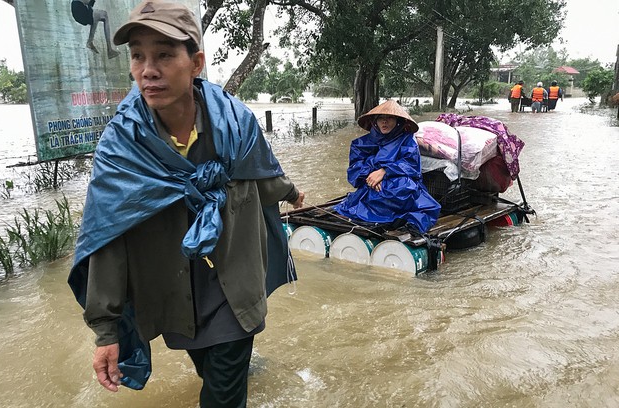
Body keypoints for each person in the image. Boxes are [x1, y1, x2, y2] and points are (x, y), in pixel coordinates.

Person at [67, 1, 305, 406]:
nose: (148, 69)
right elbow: (107, 236)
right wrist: (106, 333)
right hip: (174, 288)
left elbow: (263, 176)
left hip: (232, 277)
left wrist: (291, 193)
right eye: (138, 55)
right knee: (211, 369)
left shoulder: (235, 123)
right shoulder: (122, 145)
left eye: (163, 54)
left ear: (195, 62)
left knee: (223, 395)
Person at [333, 100, 440, 234]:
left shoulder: (407, 140)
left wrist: (385, 171)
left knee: (404, 186)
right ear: (374, 122)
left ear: (398, 120)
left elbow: (410, 164)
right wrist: (371, 175)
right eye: (381, 119)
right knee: (375, 192)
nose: (384, 122)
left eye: (389, 118)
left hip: (400, 186)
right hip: (371, 186)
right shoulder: (362, 143)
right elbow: (355, 169)